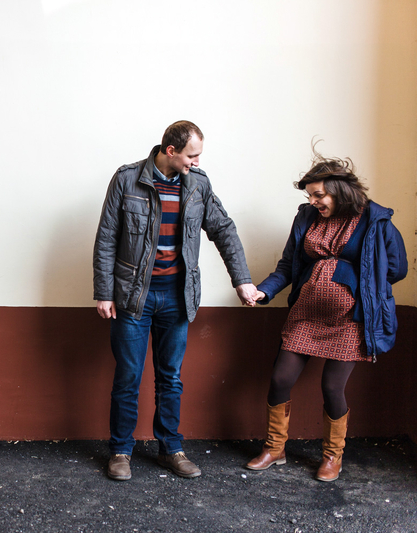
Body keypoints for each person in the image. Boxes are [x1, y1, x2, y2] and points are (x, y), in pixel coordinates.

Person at [93, 120, 257, 481]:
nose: (196, 162)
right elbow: (106, 238)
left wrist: (242, 280)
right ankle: (120, 451)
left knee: (170, 378)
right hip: (132, 297)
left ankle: (171, 448)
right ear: (171, 151)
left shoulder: (198, 184)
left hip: (177, 297)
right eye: (191, 155)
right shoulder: (127, 179)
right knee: (128, 377)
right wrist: (104, 292)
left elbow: (223, 229)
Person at [245, 150, 407, 482]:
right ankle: (275, 448)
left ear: (340, 190)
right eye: (310, 196)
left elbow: (396, 268)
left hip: (350, 320)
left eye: (319, 195)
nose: (313, 201)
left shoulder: (375, 220)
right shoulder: (307, 217)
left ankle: (333, 456)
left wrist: (362, 281)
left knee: (332, 387)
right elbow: (288, 264)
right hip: (306, 313)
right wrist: (264, 291)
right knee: (280, 379)